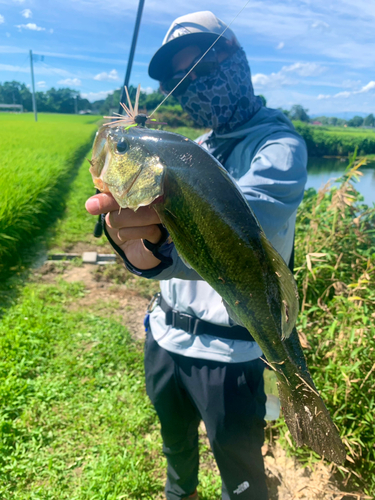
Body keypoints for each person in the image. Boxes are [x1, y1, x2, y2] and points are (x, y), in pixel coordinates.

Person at [85, 11, 308, 500]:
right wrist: (135, 246)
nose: (193, 85)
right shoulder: (192, 147)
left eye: (204, 68)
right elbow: (156, 253)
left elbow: (241, 229)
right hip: (164, 338)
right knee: (176, 455)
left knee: (242, 480)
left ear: (237, 60)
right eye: (178, 79)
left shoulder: (278, 145)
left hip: (232, 355)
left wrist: (166, 237)